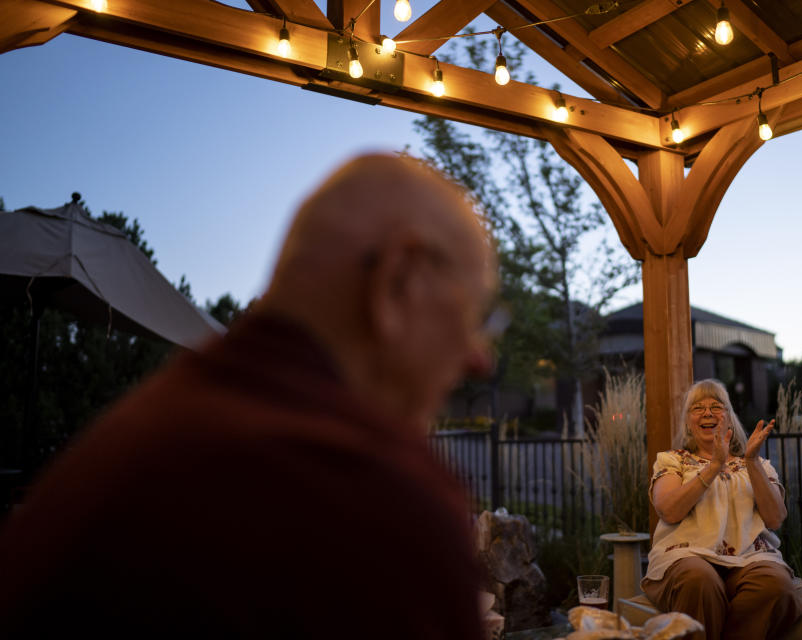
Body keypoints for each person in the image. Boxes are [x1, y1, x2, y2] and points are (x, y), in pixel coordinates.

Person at [0, 154, 497, 638]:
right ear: (396, 283)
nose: (480, 360)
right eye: (471, 314)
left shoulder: (137, 434)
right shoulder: (379, 503)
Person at [640, 379, 802, 640]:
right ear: (688, 423)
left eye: (717, 406)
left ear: (729, 419)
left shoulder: (756, 463)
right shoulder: (672, 460)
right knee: (698, 580)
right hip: (687, 555)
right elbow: (669, 511)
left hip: (750, 557)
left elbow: (775, 518)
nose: (707, 412)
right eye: (697, 408)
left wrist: (751, 461)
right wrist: (714, 465)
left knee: (776, 587)